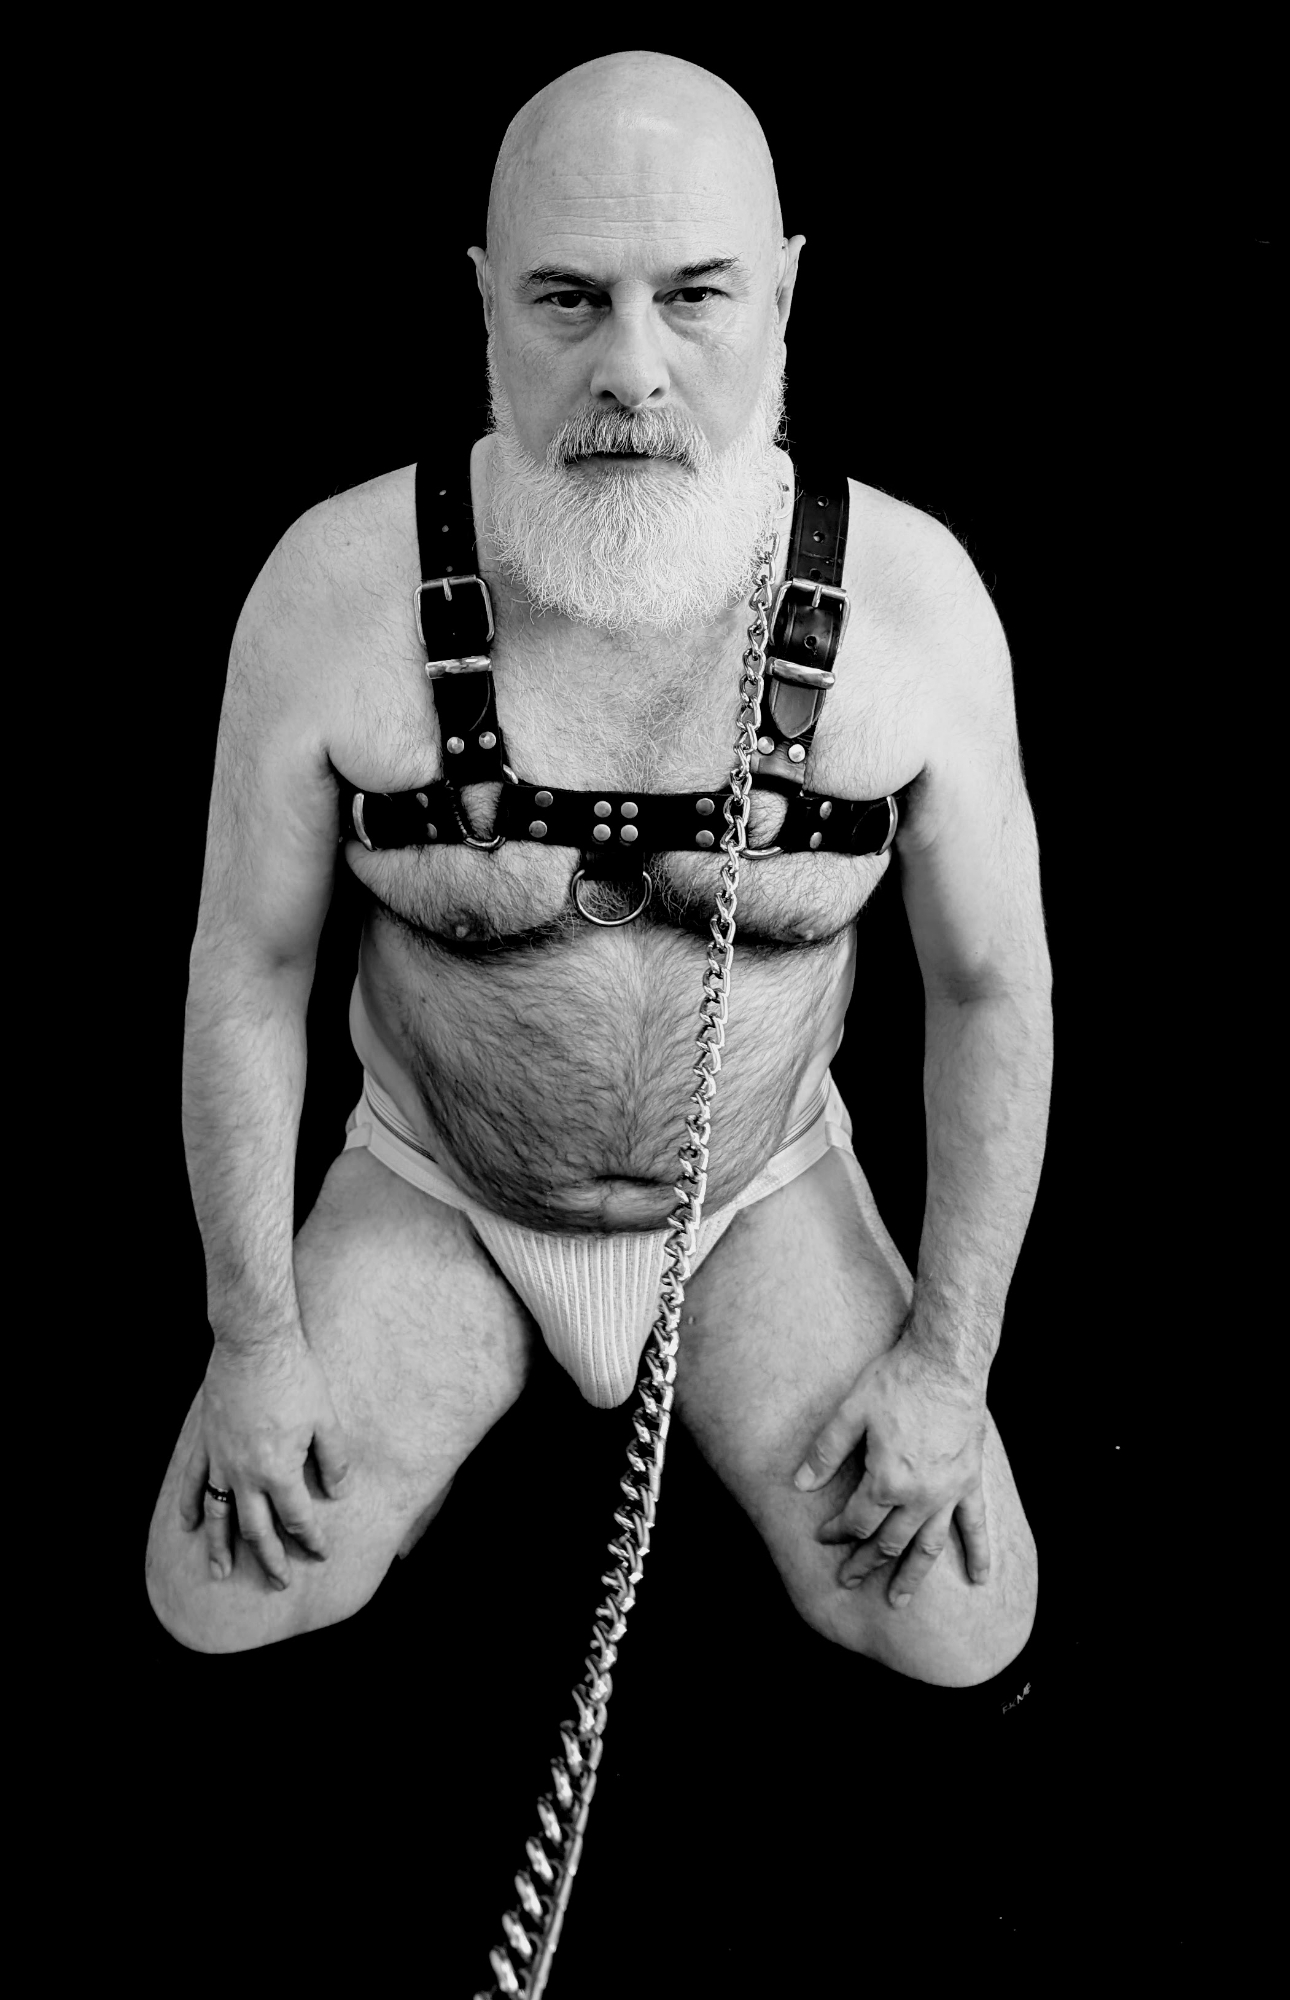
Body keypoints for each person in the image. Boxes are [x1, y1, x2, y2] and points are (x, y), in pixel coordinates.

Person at [146, 49, 1051, 1688]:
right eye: (567, 300)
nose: (631, 370)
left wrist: (944, 1367)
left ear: (783, 296)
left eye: (693, 296)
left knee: (954, 1630)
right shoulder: (331, 587)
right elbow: (248, 971)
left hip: (758, 1192)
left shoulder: (914, 603)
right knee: (221, 1596)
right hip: (438, 1185)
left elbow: (993, 991)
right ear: (485, 303)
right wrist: (252, 1341)